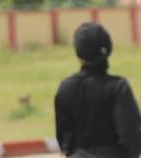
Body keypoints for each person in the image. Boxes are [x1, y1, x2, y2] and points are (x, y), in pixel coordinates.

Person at [55, 22, 141, 158]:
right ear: (108, 50)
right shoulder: (118, 87)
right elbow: (130, 132)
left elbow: (64, 136)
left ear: (78, 53)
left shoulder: (66, 88)